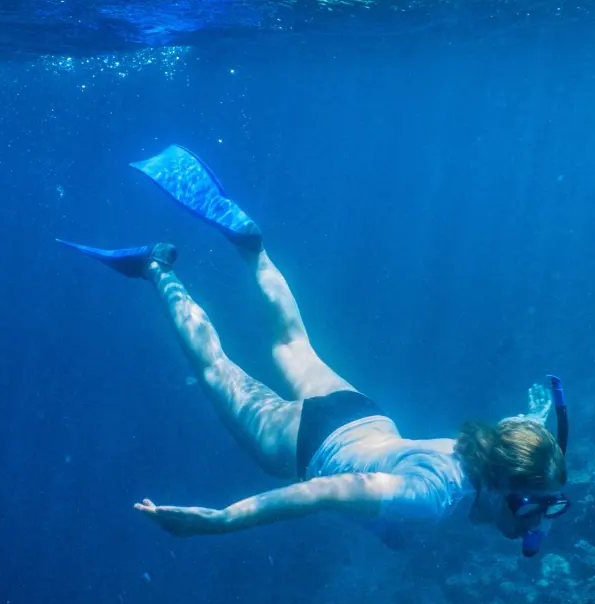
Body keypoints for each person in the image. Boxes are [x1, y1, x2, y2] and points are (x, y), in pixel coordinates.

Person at [58, 146, 569, 557]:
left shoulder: (502, 448)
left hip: (363, 419)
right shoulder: (431, 499)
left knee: (290, 342)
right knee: (216, 369)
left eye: (547, 509)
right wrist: (219, 523)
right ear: (501, 483)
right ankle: (155, 267)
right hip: (308, 449)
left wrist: (540, 414)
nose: (536, 520)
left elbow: (525, 430)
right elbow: (319, 493)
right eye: (530, 508)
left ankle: (251, 247)